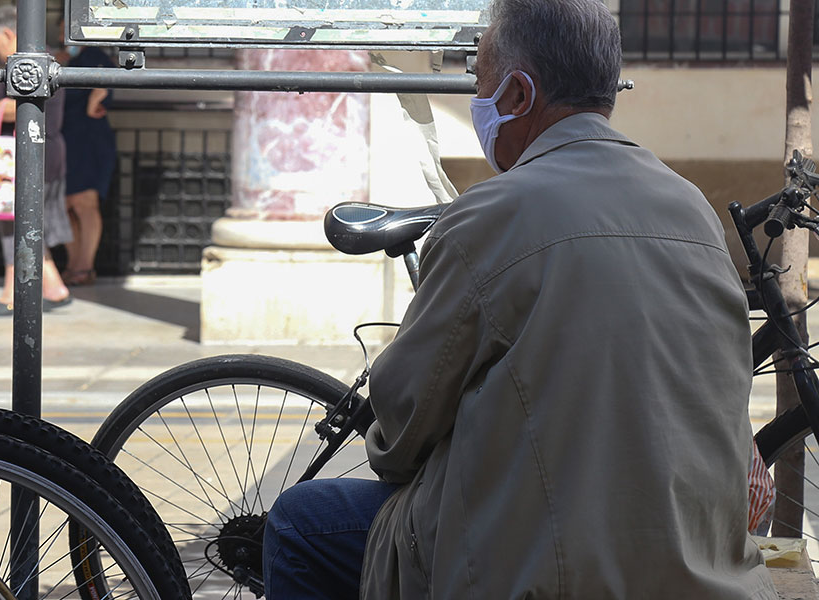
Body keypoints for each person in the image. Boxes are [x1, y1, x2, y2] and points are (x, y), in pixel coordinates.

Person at [261, 0, 778, 598]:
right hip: (704, 571)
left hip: (546, 577)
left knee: (300, 522)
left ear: (516, 96)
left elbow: (400, 435)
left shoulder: (488, 215)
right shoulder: (692, 207)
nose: (478, 102)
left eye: (480, 82)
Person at [0, 5, 72, 317]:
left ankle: (12, 294)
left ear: (8, 33)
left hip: (29, 156)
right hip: (45, 152)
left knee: (17, 224)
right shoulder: (46, 59)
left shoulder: (28, 63)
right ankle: (53, 287)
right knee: (31, 224)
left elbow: (26, 107)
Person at [57, 42, 116, 286]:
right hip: (67, 139)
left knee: (85, 204)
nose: (63, 36)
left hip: (88, 140)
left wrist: (93, 103)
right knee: (66, 205)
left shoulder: (94, 55)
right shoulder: (65, 60)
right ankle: (74, 266)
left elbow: (105, 84)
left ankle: (84, 266)